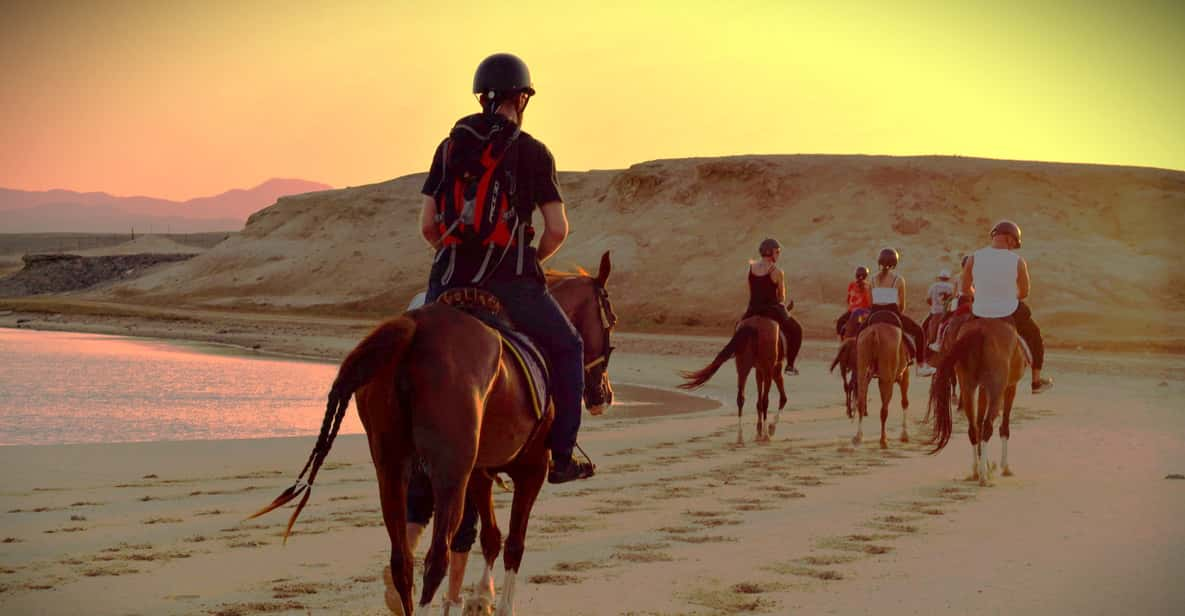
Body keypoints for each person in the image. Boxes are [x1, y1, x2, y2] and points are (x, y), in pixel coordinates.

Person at [418, 52, 593, 483]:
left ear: (482, 98)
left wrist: (455, 255)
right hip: (511, 280)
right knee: (570, 348)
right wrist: (529, 263)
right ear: (522, 98)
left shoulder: (448, 147)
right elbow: (557, 229)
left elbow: (427, 226)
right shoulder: (533, 151)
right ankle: (562, 456)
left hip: (449, 278)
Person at [963, 220, 1054, 394]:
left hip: (980, 309)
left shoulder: (974, 258)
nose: (1013, 247)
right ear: (1009, 239)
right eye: (1014, 243)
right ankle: (1036, 382)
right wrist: (1006, 296)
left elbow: (964, 289)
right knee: (1034, 336)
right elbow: (1025, 292)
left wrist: (981, 297)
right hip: (1008, 310)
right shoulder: (1018, 261)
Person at [867, 247, 931, 376]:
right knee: (919, 332)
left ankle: (860, 365)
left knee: (858, 335)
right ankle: (920, 365)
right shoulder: (899, 280)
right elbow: (902, 305)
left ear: (879, 261)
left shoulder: (872, 280)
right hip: (892, 313)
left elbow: (870, 303)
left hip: (874, 314)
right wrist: (898, 314)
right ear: (894, 262)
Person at [742, 238, 803, 375]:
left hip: (753, 309)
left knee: (739, 325)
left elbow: (751, 291)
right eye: (777, 252)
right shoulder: (777, 271)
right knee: (797, 330)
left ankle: (736, 351)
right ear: (771, 252)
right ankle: (790, 365)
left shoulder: (751, 268)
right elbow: (781, 297)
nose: (778, 255)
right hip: (771, 310)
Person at [836, 265, 872, 338]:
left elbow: (869, 303)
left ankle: (842, 339)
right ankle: (842, 339)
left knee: (840, 322)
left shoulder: (868, 287)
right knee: (840, 322)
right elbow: (849, 299)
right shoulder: (852, 285)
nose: (860, 278)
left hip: (862, 312)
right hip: (853, 311)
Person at [923, 269, 955, 348]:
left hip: (935, 311)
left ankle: (927, 343)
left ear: (940, 277)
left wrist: (933, 305)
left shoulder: (934, 286)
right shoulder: (951, 287)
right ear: (948, 278)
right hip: (947, 312)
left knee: (924, 326)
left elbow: (928, 299)